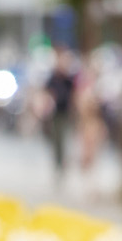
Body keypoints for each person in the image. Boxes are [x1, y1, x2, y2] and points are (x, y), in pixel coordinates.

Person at [40, 47, 78, 177]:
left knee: (66, 139)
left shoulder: (69, 79)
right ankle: (58, 163)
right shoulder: (53, 78)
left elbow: (74, 94)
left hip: (67, 113)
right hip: (55, 113)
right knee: (57, 139)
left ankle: (64, 163)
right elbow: (46, 92)